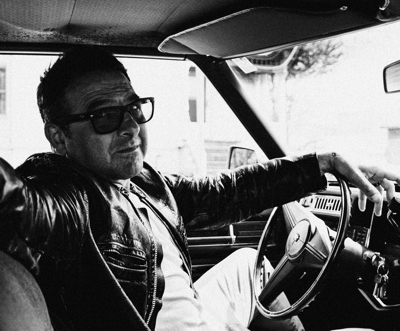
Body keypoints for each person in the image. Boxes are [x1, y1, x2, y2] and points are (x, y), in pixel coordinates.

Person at [0, 46, 398, 331]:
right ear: (59, 136)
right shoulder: (66, 197)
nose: (131, 127)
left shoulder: (141, 182)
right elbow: (20, 206)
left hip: (187, 312)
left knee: (249, 266)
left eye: (133, 108)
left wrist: (321, 164)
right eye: (105, 116)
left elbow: (223, 191)